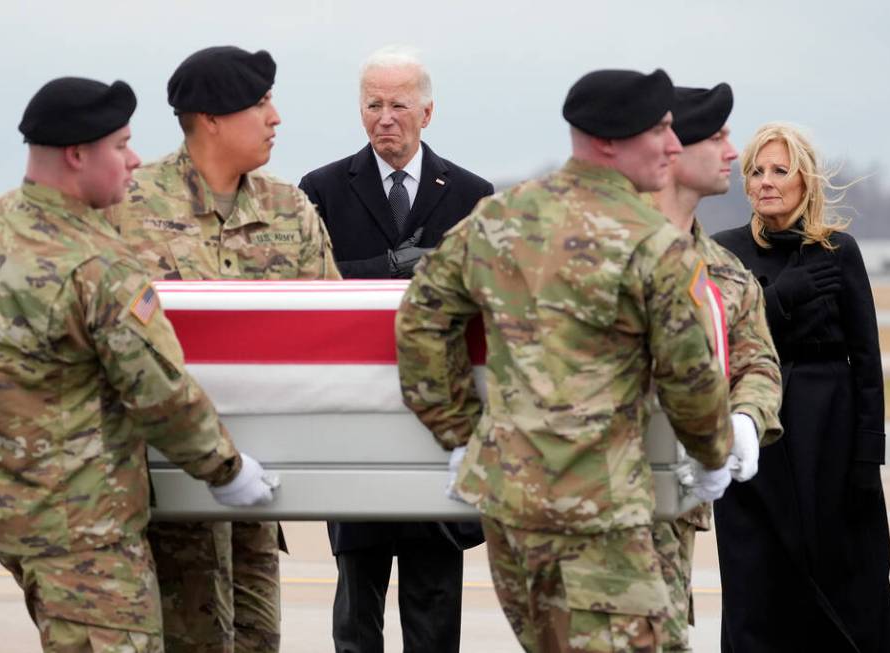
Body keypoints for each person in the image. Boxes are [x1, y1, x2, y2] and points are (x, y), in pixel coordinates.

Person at [396, 68, 738, 653]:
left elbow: (420, 318)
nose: (674, 145)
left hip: (509, 508)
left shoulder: (500, 218)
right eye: (659, 131)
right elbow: (691, 377)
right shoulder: (652, 243)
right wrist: (714, 454)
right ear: (609, 142)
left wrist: (459, 433)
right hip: (599, 519)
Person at [0, 77, 275, 653]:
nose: (135, 160)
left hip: (8, 506)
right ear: (77, 155)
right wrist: (228, 469)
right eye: (120, 146)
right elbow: (160, 393)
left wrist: (0, 426)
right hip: (85, 526)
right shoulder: (96, 261)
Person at [107, 47, 340, 653]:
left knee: (259, 641)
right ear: (211, 118)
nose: (276, 117)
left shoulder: (291, 209)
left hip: (257, 490)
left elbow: (335, 328)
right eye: (261, 102)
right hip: (160, 486)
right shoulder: (126, 207)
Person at [298, 45, 493, 653]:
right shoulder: (323, 188)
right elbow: (311, 282)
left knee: (434, 595)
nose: (386, 117)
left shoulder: (470, 192)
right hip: (357, 408)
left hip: (439, 419)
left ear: (426, 113)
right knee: (358, 596)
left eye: (399, 105)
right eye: (373, 104)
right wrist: (385, 267)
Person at [713, 123, 890, 652]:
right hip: (758, 445)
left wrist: (869, 457)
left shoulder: (839, 251)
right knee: (759, 587)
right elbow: (715, 344)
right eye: (756, 170)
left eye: (780, 170)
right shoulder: (724, 251)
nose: (766, 182)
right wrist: (777, 299)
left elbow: (867, 360)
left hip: (832, 442)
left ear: (806, 180)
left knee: (849, 585)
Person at [649, 84, 783, 652]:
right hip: (584, 515)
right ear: (674, 150)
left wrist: (748, 418)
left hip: (671, 523)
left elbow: (757, 359)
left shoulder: (724, 274)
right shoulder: (588, 250)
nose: (734, 153)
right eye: (719, 137)